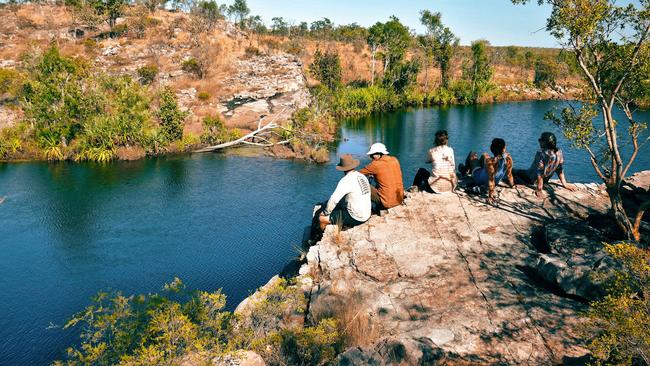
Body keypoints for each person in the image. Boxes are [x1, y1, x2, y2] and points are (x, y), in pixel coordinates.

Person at [318, 154, 372, 231]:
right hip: (367, 213)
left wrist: (325, 212)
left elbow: (334, 199)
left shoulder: (345, 180)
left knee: (322, 219)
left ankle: (319, 236)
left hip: (357, 217)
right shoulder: (361, 176)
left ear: (343, 169)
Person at [514, 132, 573, 197]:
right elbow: (559, 168)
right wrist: (565, 183)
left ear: (545, 142)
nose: (539, 141)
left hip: (531, 178)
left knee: (514, 171)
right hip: (545, 180)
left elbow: (539, 172)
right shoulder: (559, 152)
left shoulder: (541, 153)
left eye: (540, 140)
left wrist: (539, 189)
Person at [460, 138, 514, 203]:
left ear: (492, 149)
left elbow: (491, 180)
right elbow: (509, 174)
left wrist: (490, 196)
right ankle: (472, 168)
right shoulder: (508, 159)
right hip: (496, 181)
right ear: (503, 148)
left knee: (472, 153)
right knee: (484, 155)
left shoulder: (490, 162)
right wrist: (512, 185)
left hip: (478, 178)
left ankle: (464, 170)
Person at [359, 143, 404, 211]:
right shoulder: (395, 160)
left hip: (387, 204)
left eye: (372, 155)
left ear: (379, 154)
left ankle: (366, 210)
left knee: (363, 184)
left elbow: (356, 175)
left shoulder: (375, 164)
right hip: (399, 200)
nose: (371, 157)